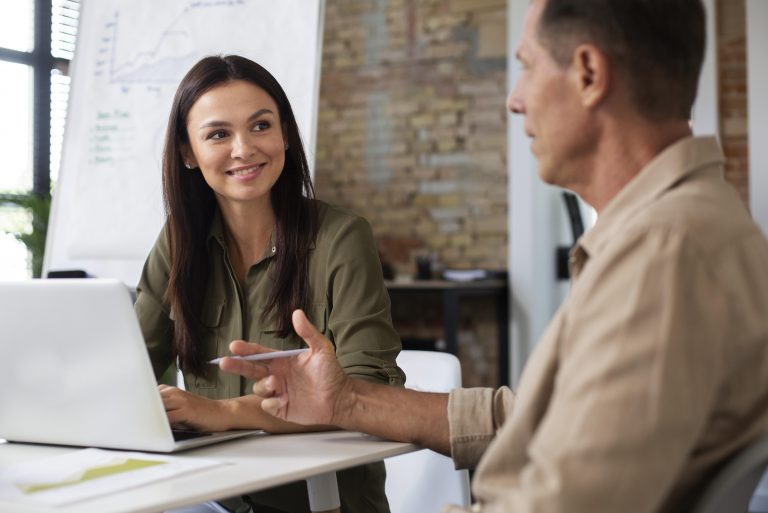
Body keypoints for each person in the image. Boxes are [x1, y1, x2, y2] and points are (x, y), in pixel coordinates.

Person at [219, 1, 768, 512]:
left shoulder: (664, 255)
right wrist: (347, 402)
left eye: (527, 67)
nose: (516, 98)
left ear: (588, 74)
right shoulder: (677, 230)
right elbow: (536, 420)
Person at [134, 55, 404, 513]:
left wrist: (221, 415)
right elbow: (128, 367)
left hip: (322, 502)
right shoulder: (178, 243)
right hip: (209, 498)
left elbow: (369, 397)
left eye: (261, 126)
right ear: (187, 153)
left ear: (284, 135)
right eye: (219, 134)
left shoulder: (341, 238)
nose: (244, 148)